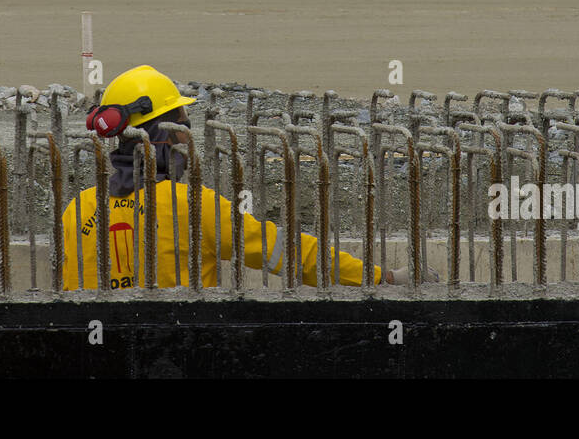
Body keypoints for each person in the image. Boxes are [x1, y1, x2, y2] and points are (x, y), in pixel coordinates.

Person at [61, 65, 420, 291]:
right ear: (161, 133)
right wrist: (380, 278)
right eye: (182, 125)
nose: (188, 136)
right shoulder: (190, 205)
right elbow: (291, 254)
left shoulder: (78, 210)